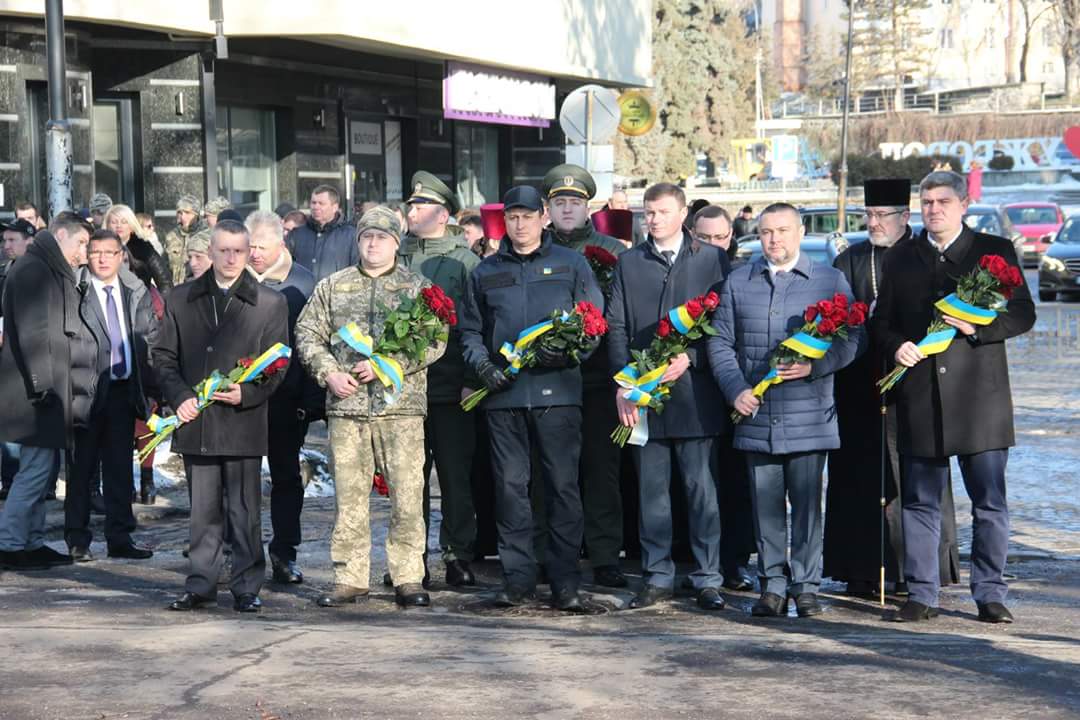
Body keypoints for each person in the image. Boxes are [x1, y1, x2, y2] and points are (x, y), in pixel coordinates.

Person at [872, 170, 1035, 624]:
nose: (934, 209)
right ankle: (922, 594)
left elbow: (1023, 314)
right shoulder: (901, 257)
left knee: (989, 503)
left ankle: (990, 594)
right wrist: (895, 345)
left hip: (980, 402)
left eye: (943, 201)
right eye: (926, 202)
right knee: (920, 502)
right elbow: (881, 322)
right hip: (921, 398)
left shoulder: (993, 252)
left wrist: (979, 327)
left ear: (964, 204)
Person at [709, 202, 864, 619]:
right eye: (765, 232)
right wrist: (735, 389)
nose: (774, 239)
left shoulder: (829, 280)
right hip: (756, 415)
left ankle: (806, 586)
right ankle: (772, 586)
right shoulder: (739, 281)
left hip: (809, 415)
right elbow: (720, 343)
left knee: (809, 505)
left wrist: (818, 366)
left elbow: (852, 339)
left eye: (782, 230)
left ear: (798, 232)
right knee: (765, 508)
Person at [459, 186, 603, 612]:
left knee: (562, 489)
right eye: (512, 217)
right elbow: (468, 330)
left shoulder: (571, 264)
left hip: (558, 396)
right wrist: (482, 368)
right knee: (509, 490)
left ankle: (565, 583)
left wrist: (571, 353)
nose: (519, 224)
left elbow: (592, 323)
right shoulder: (486, 272)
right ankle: (517, 580)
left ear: (544, 217)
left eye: (527, 215)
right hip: (504, 397)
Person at [295, 206, 446, 609]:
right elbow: (307, 334)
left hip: (401, 410)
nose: (374, 243)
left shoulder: (417, 287)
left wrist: (394, 364)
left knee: (408, 497)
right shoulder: (333, 287)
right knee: (349, 498)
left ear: (396, 242)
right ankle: (349, 577)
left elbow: (437, 338)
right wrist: (328, 373)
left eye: (382, 237)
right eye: (367, 237)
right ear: (358, 241)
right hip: (348, 409)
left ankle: (408, 576)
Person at [823, 178, 961, 597]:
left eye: (881, 215)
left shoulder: (923, 256)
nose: (873, 222)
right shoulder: (851, 261)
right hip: (858, 388)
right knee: (859, 478)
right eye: (868, 215)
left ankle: (917, 572)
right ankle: (861, 567)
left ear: (905, 216)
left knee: (913, 480)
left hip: (914, 384)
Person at [154, 220, 289, 613]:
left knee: (244, 509)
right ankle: (201, 583)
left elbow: (277, 366)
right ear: (210, 252)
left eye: (238, 251)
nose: (231, 258)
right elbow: (162, 357)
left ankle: (247, 586)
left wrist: (246, 392)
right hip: (195, 418)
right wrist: (179, 396)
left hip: (242, 420)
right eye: (223, 250)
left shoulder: (269, 302)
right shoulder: (180, 299)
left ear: (249, 254)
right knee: (203, 511)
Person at [607, 183, 731, 610]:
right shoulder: (629, 263)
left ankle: (707, 576)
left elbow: (723, 321)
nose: (652, 219)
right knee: (652, 493)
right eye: (648, 212)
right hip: (644, 399)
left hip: (695, 398)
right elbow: (617, 327)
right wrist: (624, 385)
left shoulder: (712, 260)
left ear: (683, 215)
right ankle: (657, 574)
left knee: (702, 491)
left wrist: (693, 357)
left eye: (661, 211)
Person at [542, 163, 629, 588]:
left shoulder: (614, 249)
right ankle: (557, 552)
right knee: (554, 473)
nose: (567, 209)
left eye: (574, 202)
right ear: (549, 208)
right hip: (548, 378)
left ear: (588, 206)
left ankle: (605, 553)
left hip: (598, 379)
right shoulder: (533, 247)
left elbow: (624, 312)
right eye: (560, 202)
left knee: (601, 471)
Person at [398, 171, 482, 587]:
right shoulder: (394, 256)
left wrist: (471, 378)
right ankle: (410, 557)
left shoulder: (466, 262)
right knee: (407, 480)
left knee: (453, 478)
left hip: (450, 389)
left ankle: (457, 554)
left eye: (420, 205)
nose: (411, 211)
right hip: (403, 391)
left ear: (443, 213)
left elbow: (477, 326)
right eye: (410, 205)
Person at [0, 214, 93, 571]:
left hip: (44, 389)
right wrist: (43, 386)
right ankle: (10, 544)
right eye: (81, 243)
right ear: (62, 235)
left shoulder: (42, 267)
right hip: (36, 393)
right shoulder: (34, 270)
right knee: (35, 472)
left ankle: (31, 541)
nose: (83, 253)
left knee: (43, 472)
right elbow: (34, 334)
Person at [65, 229, 157, 562]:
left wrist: (154, 389)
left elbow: (150, 339)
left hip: (122, 389)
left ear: (121, 256)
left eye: (109, 252)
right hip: (84, 390)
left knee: (120, 468)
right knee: (82, 468)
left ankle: (120, 537)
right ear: (87, 257)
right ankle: (77, 539)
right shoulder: (74, 290)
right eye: (96, 253)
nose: (103, 259)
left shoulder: (134, 290)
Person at [245, 210, 317, 585]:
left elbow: (313, 344)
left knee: (286, 476)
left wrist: (309, 399)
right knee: (240, 478)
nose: (254, 253)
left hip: (287, 398)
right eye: (250, 246)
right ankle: (239, 551)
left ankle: (284, 552)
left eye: (262, 246)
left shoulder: (303, 282)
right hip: (240, 396)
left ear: (281, 243)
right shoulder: (234, 278)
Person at [690, 205, 753, 589]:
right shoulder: (684, 273)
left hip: (732, 394)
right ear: (691, 234)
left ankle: (735, 562)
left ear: (731, 237)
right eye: (704, 238)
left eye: (720, 237)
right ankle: (698, 560)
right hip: (693, 392)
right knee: (699, 484)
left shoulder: (744, 276)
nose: (713, 245)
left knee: (734, 483)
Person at [0, 219, 37, 499]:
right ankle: (11, 479)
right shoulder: (9, 270)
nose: (6, 246)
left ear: (29, 241)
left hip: (32, 361)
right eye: (5, 241)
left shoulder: (37, 272)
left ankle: (31, 484)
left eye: (12, 240)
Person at [287, 185, 359, 282]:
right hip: (302, 294)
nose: (316, 207)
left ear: (335, 207)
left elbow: (356, 270)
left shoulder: (351, 235)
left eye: (321, 203)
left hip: (335, 294)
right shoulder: (296, 234)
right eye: (313, 203)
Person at [104, 204, 173, 291]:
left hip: (141, 299)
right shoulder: (100, 248)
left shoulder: (144, 248)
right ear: (107, 225)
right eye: (114, 222)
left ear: (131, 226)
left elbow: (164, 280)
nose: (119, 225)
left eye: (124, 222)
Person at [164, 195, 206, 286]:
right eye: (179, 212)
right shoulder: (171, 237)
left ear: (196, 214)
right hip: (175, 291)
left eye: (187, 213)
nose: (182, 217)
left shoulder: (205, 235)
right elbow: (164, 267)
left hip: (198, 290)